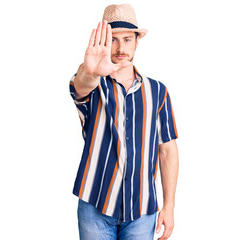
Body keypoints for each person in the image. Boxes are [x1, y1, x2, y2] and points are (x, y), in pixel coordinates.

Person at [69, 4, 179, 240]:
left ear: (137, 42)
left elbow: (167, 151)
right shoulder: (94, 85)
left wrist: (168, 205)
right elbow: (80, 84)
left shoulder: (158, 92)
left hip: (141, 211)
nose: (120, 48)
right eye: (113, 40)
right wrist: (90, 71)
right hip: (95, 207)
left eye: (127, 39)